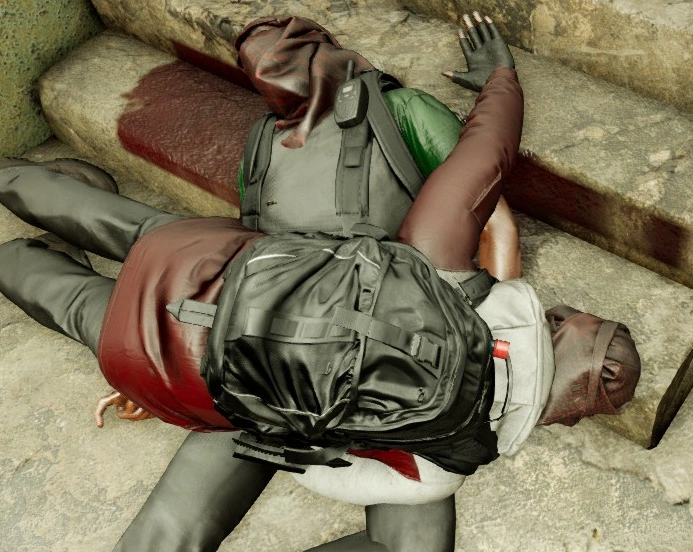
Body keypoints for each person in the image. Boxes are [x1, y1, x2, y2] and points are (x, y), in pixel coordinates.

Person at [0, 13, 638, 552]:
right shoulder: (458, 453)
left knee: (119, 228)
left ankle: (21, 193)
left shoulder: (438, 267)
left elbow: (485, 155)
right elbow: (331, 473)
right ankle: (16, 259)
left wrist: (501, 78)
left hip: (208, 267)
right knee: (84, 310)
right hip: (204, 380)